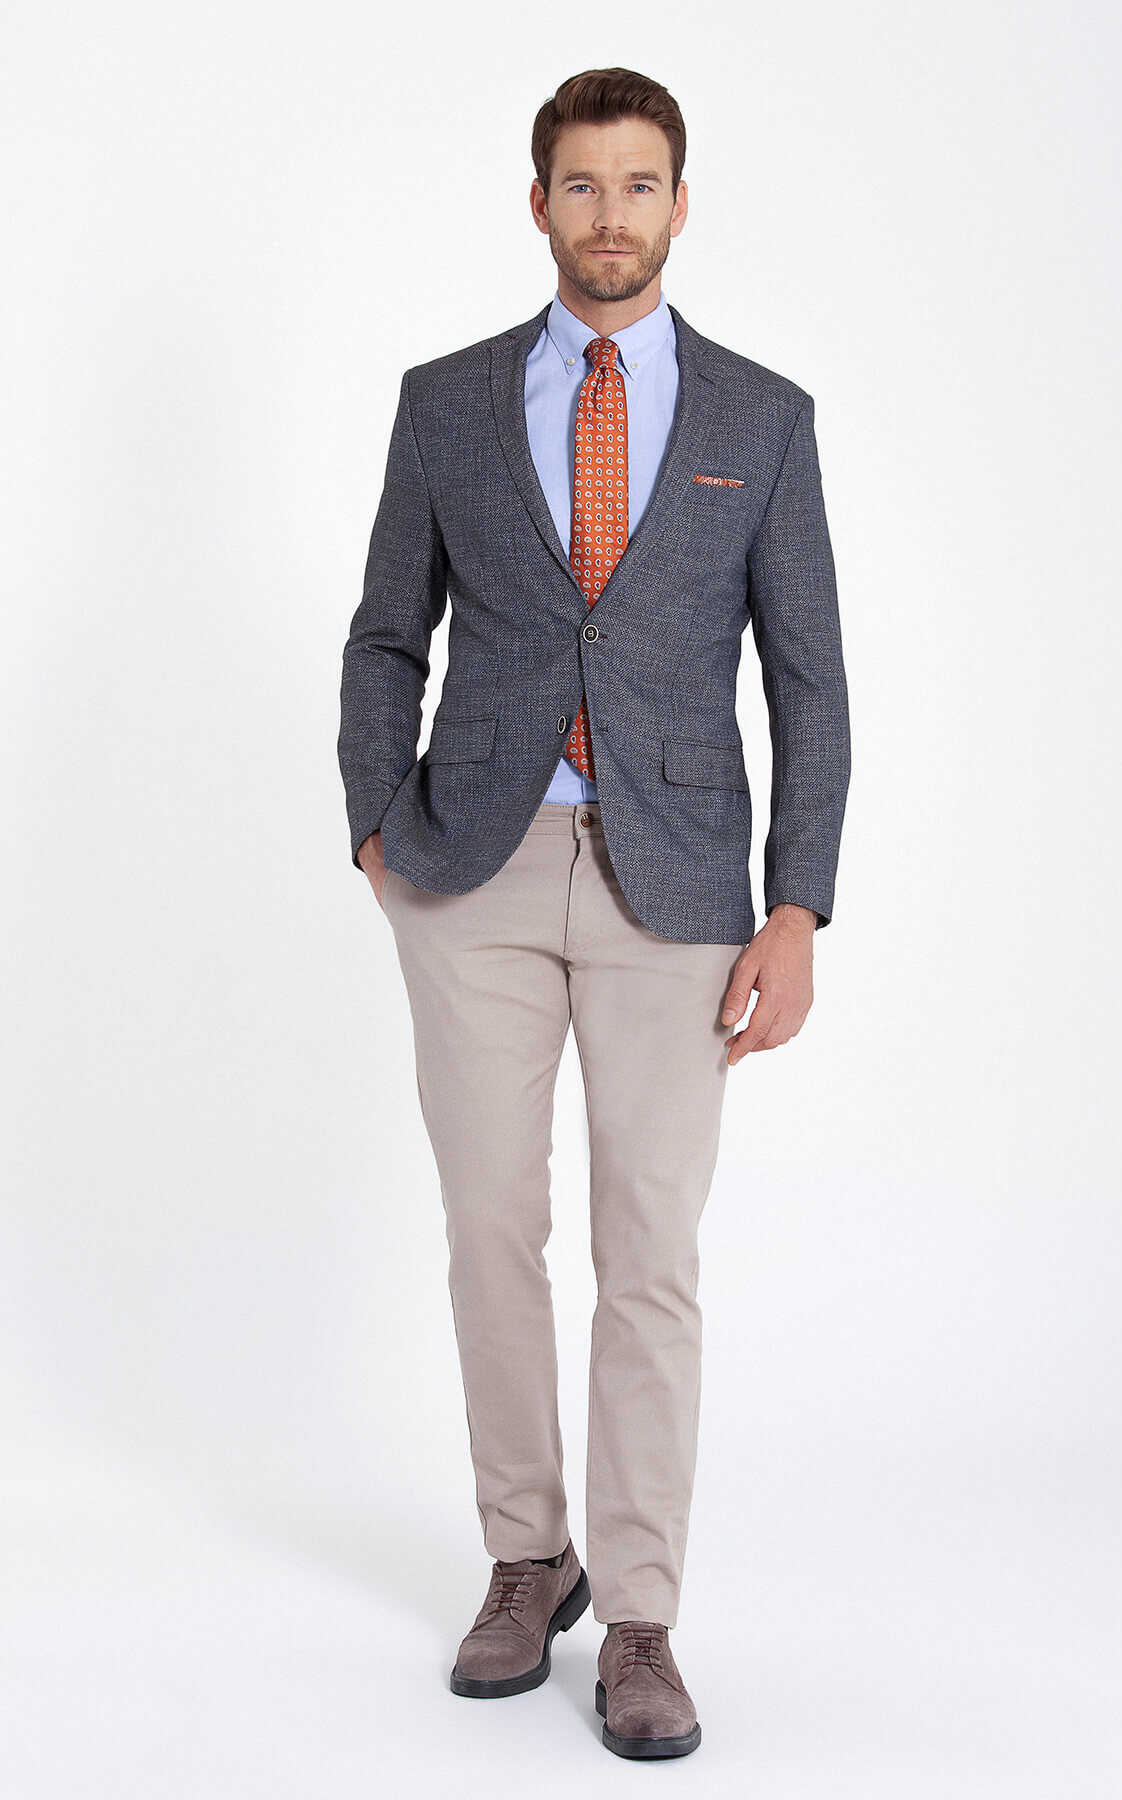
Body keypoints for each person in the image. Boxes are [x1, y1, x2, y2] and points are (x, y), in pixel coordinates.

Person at [337, 65, 851, 1761]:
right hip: (472, 871)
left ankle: (639, 1614)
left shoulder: (762, 419)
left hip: (680, 884)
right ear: (539, 203)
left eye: (640, 185)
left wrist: (797, 906)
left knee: (651, 1252)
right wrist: (375, 826)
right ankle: (525, 1556)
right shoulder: (446, 403)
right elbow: (386, 634)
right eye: (582, 184)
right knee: (491, 1226)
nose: (611, 215)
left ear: (680, 205)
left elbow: (810, 682)